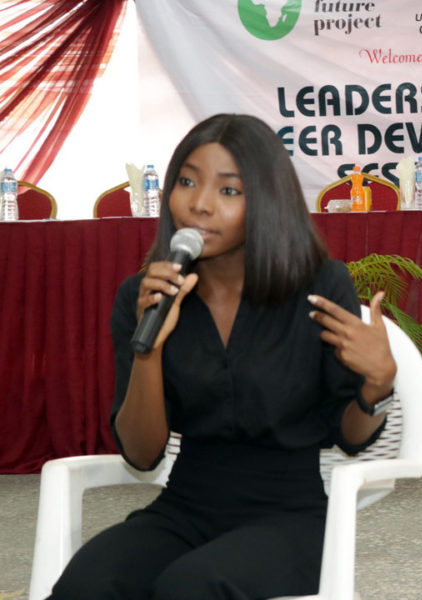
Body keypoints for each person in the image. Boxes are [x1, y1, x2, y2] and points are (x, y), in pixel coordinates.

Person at [48, 114, 398, 599]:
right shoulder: (144, 296)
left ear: (267, 202)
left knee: (192, 587)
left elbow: (352, 438)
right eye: (187, 182)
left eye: (229, 190)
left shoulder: (319, 284)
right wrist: (150, 351)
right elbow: (142, 454)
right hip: (184, 508)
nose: (200, 204)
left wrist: (377, 386)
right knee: (87, 584)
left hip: (292, 516)